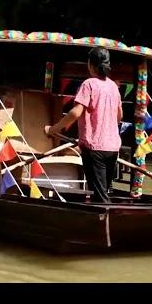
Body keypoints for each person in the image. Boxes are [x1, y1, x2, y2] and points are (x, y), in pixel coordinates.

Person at [44, 47, 123, 202]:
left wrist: (54, 129)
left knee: (100, 197)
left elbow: (75, 112)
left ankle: (105, 223)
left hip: (95, 149)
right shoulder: (113, 87)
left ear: (91, 65)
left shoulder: (89, 84)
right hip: (113, 148)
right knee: (102, 191)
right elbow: (119, 116)